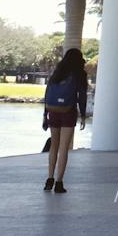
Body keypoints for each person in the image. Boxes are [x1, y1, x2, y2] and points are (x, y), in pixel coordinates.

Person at [41, 47, 90, 194]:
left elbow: (47, 92)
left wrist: (45, 114)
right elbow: (82, 96)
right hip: (68, 111)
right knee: (63, 148)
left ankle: (49, 179)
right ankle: (59, 183)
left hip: (53, 111)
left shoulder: (58, 72)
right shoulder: (80, 74)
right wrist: (83, 115)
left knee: (54, 146)